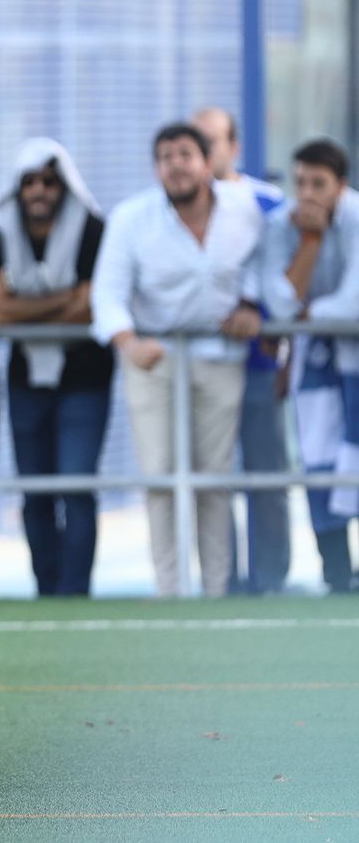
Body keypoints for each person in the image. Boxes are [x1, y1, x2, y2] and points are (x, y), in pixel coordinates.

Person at [91, 124, 265, 598]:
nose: (175, 164)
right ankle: (169, 591)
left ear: (208, 163)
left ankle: (216, 591)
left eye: (185, 154)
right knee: (160, 476)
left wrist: (250, 306)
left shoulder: (244, 209)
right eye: (165, 156)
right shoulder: (132, 218)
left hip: (219, 357)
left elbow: (260, 267)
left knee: (214, 479)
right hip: (153, 359)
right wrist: (129, 343)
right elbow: (107, 294)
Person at [0, 139, 112, 596]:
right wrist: (61, 301)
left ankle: (75, 592)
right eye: (30, 181)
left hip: (86, 375)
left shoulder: (91, 225)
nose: (39, 190)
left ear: (64, 186)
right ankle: (46, 591)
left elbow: (89, 307)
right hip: (26, 377)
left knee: (76, 486)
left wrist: (20, 310)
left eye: (49, 182)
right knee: (34, 491)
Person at [192, 107, 292, 593]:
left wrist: (273, 331)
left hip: (258, 363)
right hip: (201, 364)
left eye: (210, 141)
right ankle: (221, 579)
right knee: (212, 481)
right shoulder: (175, 205)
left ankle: (270, 579)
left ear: (233, 147)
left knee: (266, 475)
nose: (201, 151)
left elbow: (284, 277)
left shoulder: (268, 203)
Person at [260, 139, 359, 593]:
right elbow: (279, 303)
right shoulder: (282, 225)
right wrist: (311, 242)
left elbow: (353, 304)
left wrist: (305, 316)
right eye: (300, 182)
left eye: (318, 183)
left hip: (347, 354)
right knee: (318, 460)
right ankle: (336, 573)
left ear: (341, 185)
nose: (307, 194)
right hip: (314, 362)